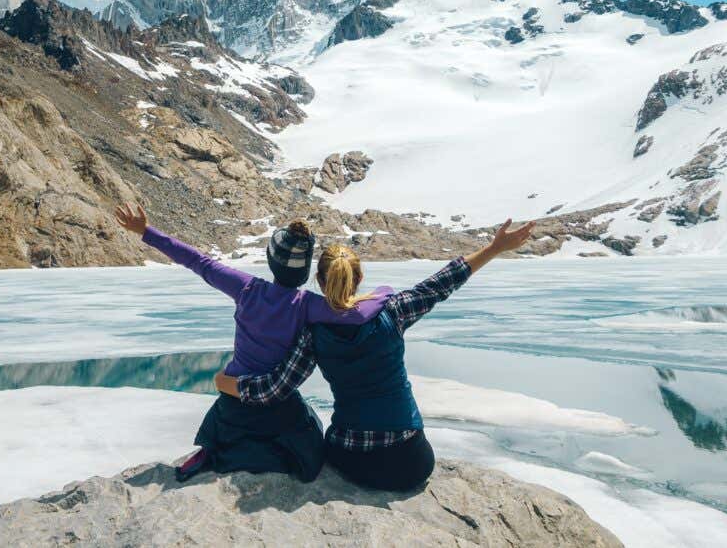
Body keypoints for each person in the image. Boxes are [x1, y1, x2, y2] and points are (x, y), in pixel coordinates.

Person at [214, 218, 536, 492]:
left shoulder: (313, 334)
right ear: (360, 279)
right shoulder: (394, 311)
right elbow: (444, 282)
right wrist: (494, 249)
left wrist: (226, 382)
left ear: (320, 282)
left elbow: (276, 388)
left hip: (353, 459)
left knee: (308, 421)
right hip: (412, 461)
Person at [113, 203, 394, 483]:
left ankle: (215, 450)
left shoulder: (246, 288)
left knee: (227, 421)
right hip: (276, 407)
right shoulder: (308, 306)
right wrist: (385, 291)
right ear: (305, 271)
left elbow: (198, 261)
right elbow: (358, 314)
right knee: (309, 440)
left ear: (272, 261)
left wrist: (146, 231)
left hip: (234, 402)